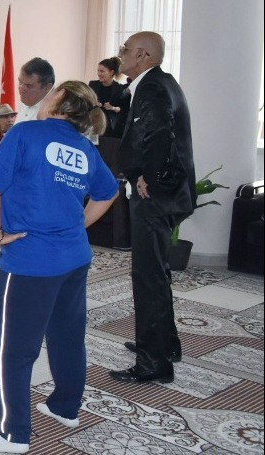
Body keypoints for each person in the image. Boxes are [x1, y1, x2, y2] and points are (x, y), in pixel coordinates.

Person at [0, 81, 118, 454]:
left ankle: (13, 434)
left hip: (29, 261)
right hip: (74, 259)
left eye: (52, 92)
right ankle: (65, 407)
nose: (44, 96)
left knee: (13, 349)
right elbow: (108, 192)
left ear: (60, 102)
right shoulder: (84, 147)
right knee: (67, 337)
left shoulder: (25, 133)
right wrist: (76, 226)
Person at [109, 31, 197, 384]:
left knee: (147, 278)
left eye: (125, 49)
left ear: (143, 55)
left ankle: (152, 362)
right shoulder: (163, 82)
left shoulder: (152, 87)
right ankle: (166, 345)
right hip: (168, 195)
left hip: (156, 198)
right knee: (157, 273)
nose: (121, 55)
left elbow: (160, 134)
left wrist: (150, 178)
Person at [89, 57, 130, 137]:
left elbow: (123, 109)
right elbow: (86, 103)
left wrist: (113, 108)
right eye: (98, 70)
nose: (99, 74)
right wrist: (94, 104)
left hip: (111, 128)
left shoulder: (119, 88)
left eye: (102, 71)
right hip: (93, 124)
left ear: (111, 72)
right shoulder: (92, 85)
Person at [15, 58, 55, 124]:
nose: (21, 88)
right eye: (20, 82)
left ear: (47, 87)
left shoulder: (56, 112)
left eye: (28, 86)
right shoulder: (27, 99)